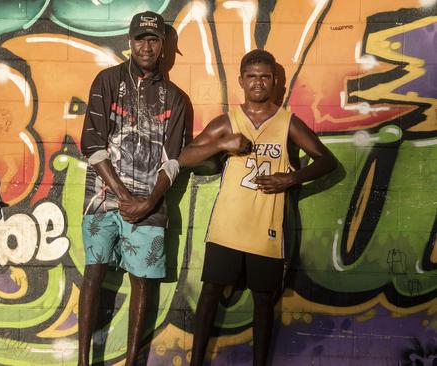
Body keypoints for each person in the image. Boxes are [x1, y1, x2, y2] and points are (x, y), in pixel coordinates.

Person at [177, 49, 337, 366]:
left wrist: (291, 179)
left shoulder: (287, 122)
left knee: (263, 302)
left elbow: (327, 160)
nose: (258, 82)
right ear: (241, 81)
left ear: (275, 80)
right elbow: (184, 158)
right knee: (210, 295)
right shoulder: (227, 123)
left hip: (267, 232)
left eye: (265, 76)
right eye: (252, 76)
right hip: (226, 228)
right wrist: (222, 144)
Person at [78, 10, 194, 366]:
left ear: (162, 46)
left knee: (142, 281)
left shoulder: (176, 98)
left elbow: (173, 160)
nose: (146, 46)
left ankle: (132, 361)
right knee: (94, 274)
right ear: (129, 41)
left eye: (153, 39)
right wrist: (125, 198)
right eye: (140, 38)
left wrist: (148, 202)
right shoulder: (108, 80)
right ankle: (83, 360)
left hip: (150, 204)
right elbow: (91, 144)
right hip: (102, 202)